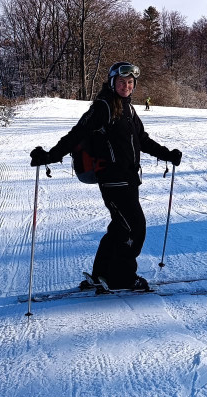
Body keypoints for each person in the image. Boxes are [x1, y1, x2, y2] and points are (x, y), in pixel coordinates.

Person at [29, 61, 181, 291]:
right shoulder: (103, 107)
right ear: (112, 82)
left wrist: (167, 154)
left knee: (120, 228)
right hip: (113, 180)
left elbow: (143, 140)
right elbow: (76, 134)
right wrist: (49, 155)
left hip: (129, 179)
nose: (126, 86)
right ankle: (123, 278)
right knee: (135, 228)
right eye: (121, 82)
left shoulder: (128, 109)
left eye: (130, 83)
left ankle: (101, 274)